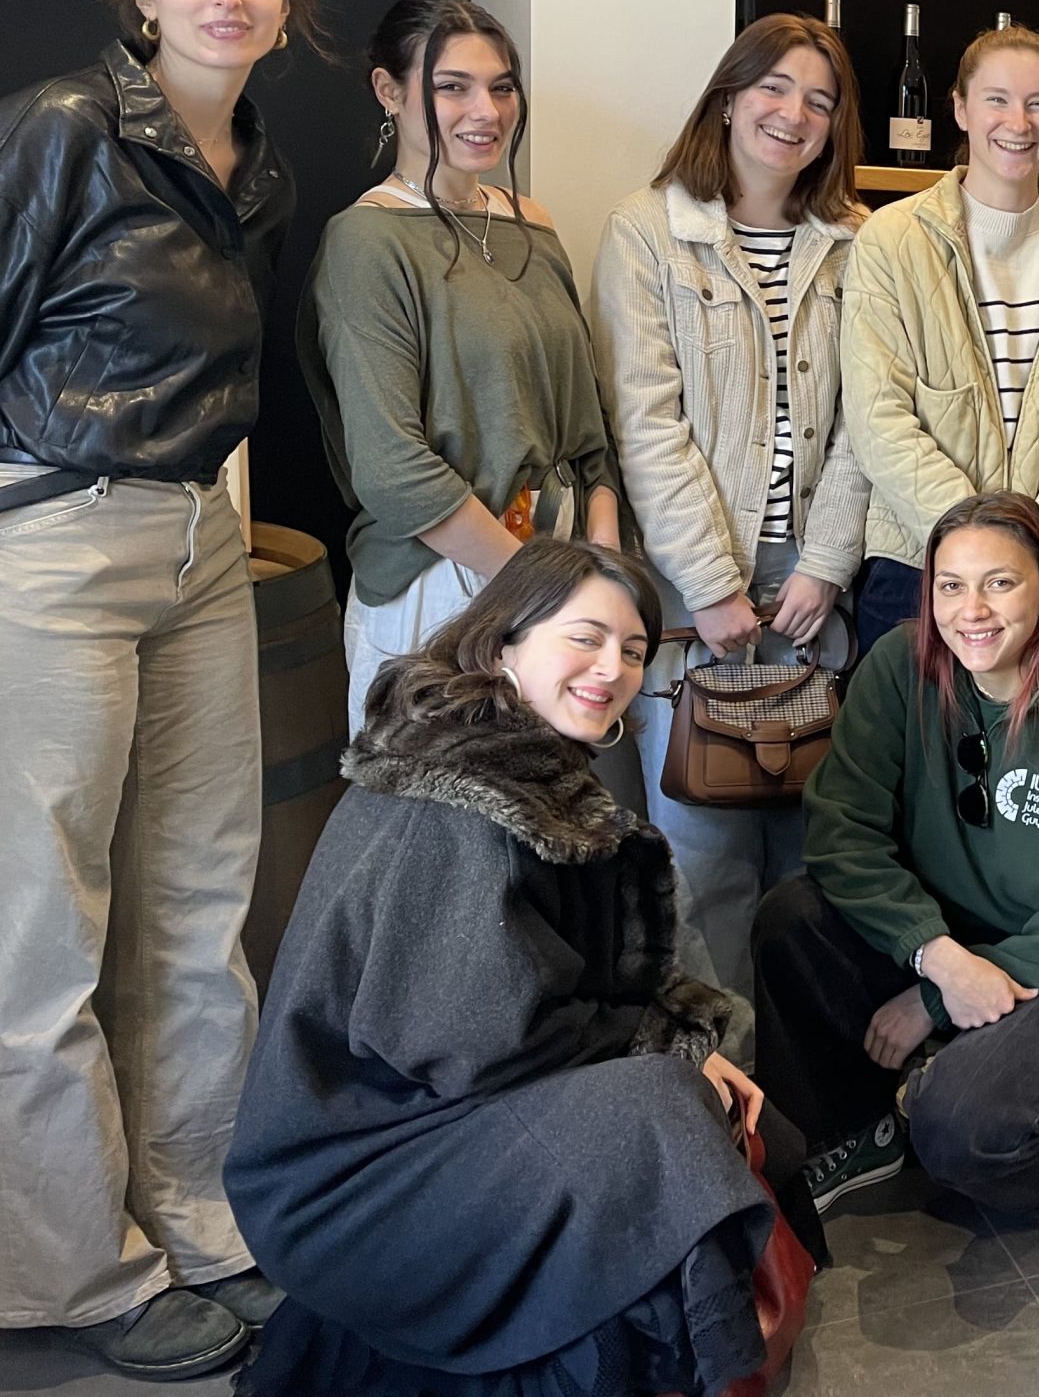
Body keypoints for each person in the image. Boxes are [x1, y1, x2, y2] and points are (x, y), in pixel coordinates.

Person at [226, 539, 790, 1397]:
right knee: (660, 1112)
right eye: (585, 638)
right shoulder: (453, 805)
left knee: (733, 1116)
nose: (612, 669)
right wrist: (665, 1048)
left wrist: (670, 1041)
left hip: (425, 1115)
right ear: (502, 646)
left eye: (633, 650)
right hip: (349, 1179)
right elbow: (475, 1040)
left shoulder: (507, 766)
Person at [0, 0, 308, 1380]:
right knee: (40, 925)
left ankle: (197, 1214)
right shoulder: (63, 128)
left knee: (195, 907)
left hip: (200, 542)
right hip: (55, 536)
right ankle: (72, 1274)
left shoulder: (260, 170)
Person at [753, 494, 1039, 1219]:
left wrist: (931, 1000)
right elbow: (842, 829)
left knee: (960, 1130)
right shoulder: (900, 666)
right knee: (790, 918)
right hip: (958, 938)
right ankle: (856, 1128)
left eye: (1001, 582)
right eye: (951, 586)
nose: (972, 610)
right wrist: (938, 959)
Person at [589, 13, 871, 1046]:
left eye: (820, 101)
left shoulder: (858, 243)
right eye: (774, 89)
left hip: (816, 591)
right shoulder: (647, 230)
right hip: (689, 588)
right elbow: (645, 421)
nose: (794, 115)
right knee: (700, 858)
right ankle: (723, 1092)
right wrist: (710, 585)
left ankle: (807, 1092)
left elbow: (868, 424)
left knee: (815, 858)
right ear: (727, 97)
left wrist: (826, 566)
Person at [303, 0, 622, 734]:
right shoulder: (366, 241)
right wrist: (537, 588)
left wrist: (603, 568)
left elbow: (589, 433)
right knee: (436, 803)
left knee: (547, 800)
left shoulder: (532, 224)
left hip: (558, 569)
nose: (487, 110)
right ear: (389, 91)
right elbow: (392, 469)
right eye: (453, 87)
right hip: (440, 582)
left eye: (501, 87)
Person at [839, 26, 1039, 653]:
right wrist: (978, 551)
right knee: (909, 722)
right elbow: (878, 418)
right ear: (960, 108)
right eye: (997, 100)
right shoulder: (892, 239)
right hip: (918, 564)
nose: (1019, 122)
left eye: (1038, 103)